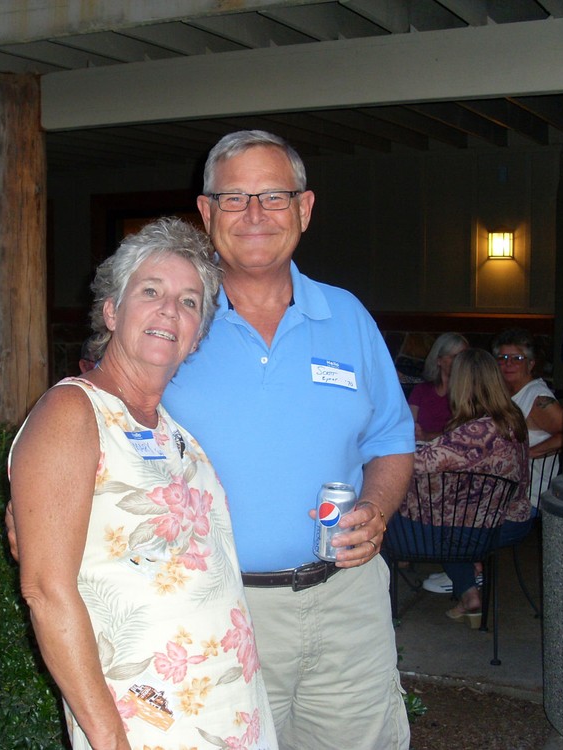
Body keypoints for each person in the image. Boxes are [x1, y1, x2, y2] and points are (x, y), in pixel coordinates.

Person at [163, 130, 414, 749]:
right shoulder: (170, 319)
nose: (255, 215)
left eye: (274, 196)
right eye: (234, 198)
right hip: (213, 609)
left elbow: (391, 438)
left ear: (304, 209)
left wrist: (377, 508)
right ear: (206, 212)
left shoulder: (349, 317)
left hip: (346, 604)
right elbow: (96, 423)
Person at [7, 217, 277, 749]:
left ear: (196, 336)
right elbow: (46, 590)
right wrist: (109, 738)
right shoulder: (72, 412)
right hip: (145, 722)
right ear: (112, 311)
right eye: (151, 291)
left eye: (189, 302)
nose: (170, 310)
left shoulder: (173, 431)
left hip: (228, 709)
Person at [398, 349, 530, 625]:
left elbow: (414, 464)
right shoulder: (510, 418)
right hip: (510, 517)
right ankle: (469, 595)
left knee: (390, 516)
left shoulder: (476, 432)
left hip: (482, 529)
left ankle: (377, 608)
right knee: (446, 515)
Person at [493, 328, 563, 509]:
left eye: (517, 358)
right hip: (503, 496)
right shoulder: (502, 393)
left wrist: (528, 453)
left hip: (528, 501)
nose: (508, 364)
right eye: (503, 358)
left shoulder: (538, 398)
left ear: (531, 364)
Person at [407, 332, 469, 442]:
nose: (459, 362)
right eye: (454, 357)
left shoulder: (469, 392)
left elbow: (466, 433)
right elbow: (408, 424)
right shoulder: (421, 390)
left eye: (462, 357)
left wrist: (428, 436)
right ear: (439, 360)